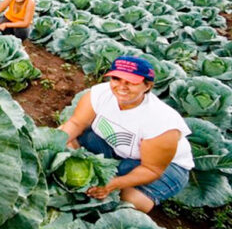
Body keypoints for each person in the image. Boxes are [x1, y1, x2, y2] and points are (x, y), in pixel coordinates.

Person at [59, 56, 194, 213]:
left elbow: (152, 169)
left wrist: (112, 184)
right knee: (64, 137)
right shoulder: (99, 94)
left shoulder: (161, 122)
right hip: (118, 149)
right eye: (116, 79)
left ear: (148, 86)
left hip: (165, 167)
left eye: (131, 82)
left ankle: (130, 186)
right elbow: (76, 124)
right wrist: (51, 146)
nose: (122, 86)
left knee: (128, 199)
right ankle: (111, 169)